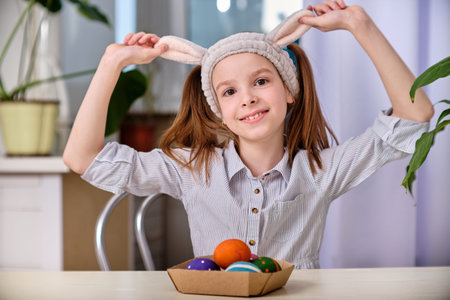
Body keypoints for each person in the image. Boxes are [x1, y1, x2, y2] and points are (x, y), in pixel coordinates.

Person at [63, 0, 434, 269]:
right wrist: (112, 62)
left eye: (260, 81)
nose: (248, 98)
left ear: (289, 92)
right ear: (218, 112)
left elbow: (415, 117)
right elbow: (82, 159)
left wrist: (360, 25)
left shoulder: (321, 170)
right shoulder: (192, 168)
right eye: (229, 91)